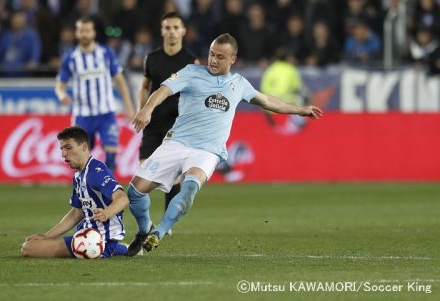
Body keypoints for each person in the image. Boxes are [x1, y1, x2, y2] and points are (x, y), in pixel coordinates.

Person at [126, 33, 323, 256]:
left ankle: (159, 232)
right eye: (211, 54)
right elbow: (162, 91)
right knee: (134, 192)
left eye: (220, 56)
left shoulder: (239, 84)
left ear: (233, 59)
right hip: (176, 143)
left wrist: (300, 109)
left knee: (189, 188)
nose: (213, 60)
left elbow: (267, 101)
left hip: (207, 151)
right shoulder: (191, 72)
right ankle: (144, 230)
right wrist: (147, 109)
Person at [21, 126, 130, 258]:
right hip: (86, 234)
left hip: (98, 240)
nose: (63, 154)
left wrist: (106, 213)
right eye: (61, 148)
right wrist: (46, 236)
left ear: (84, 147)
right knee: (31, 244)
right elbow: (77, 212)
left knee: (28, 248)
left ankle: (117, 248)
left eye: (68, 147)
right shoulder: (79, 174)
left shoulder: (96, 172)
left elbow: (122, 198)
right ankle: (123, 249)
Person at [138, 12, 198, 232]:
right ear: (162, 31)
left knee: (173, 176)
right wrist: (142, 109)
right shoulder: (151, 59)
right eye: (167, 28)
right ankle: (144, 222)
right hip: (153, 123)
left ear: (183, 31)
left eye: (175, 27)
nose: (172, 32)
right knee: (144, 171)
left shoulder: (190, 61)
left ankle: (167, 222)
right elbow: (145, 85)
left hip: (177, 125)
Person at [55, 16, 135, 173]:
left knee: (111, 154)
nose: (85, 34)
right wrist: (61, 94)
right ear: (77, 33)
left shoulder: (106, 53)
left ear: (93, 33)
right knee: (80, 159)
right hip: (82, 115)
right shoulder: (71, 58)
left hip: (106, 113)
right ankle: (85, 193)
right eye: (81, 31)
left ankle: (108, 193)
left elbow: (119, 80)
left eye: (88, 31)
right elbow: (60, 84)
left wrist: (129, 106)